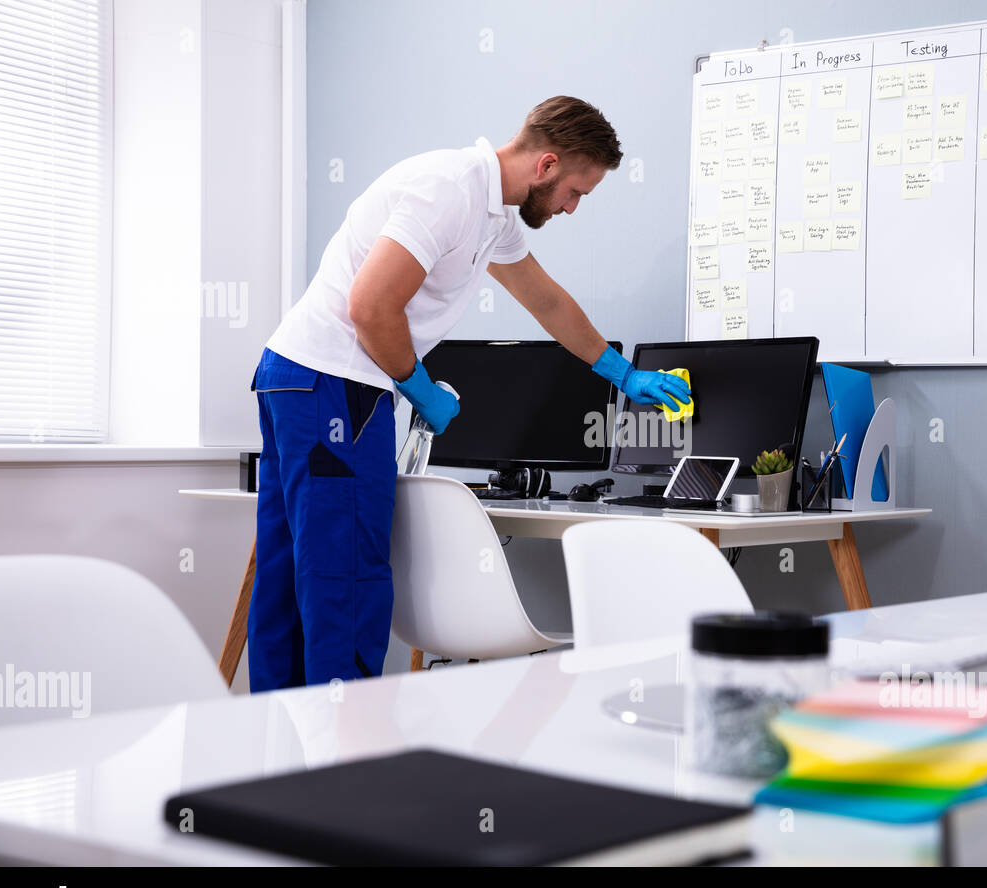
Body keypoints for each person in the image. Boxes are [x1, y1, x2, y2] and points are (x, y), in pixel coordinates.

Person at [246, 95, 690, 691]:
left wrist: (621, 372)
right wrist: (419, 387)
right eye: (575, 192)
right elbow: (371, 306)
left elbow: (546, 300)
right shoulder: (449, 192)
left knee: (288, 578)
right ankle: (341, 769)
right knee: (344, 582)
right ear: (548, 165)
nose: (573, 208)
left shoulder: (494, 212)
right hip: (337, 384)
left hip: (295, 375)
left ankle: (276, 764)